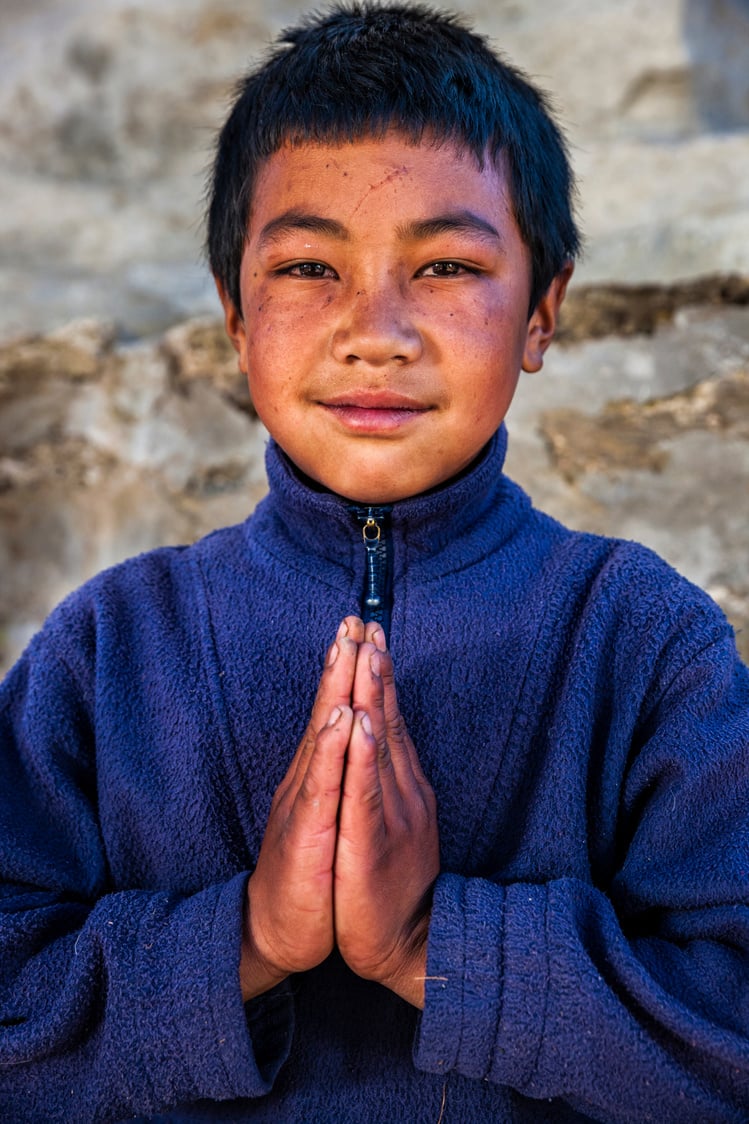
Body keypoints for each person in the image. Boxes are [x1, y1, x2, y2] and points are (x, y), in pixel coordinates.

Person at [1, 4, 747, 1121]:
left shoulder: (641, 641)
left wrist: (432, 944)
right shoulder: (110, 646)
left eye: (445, 263)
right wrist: (248, 937)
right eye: (309, 265)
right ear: (231, 315)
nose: (374, 329)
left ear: (541, 310)